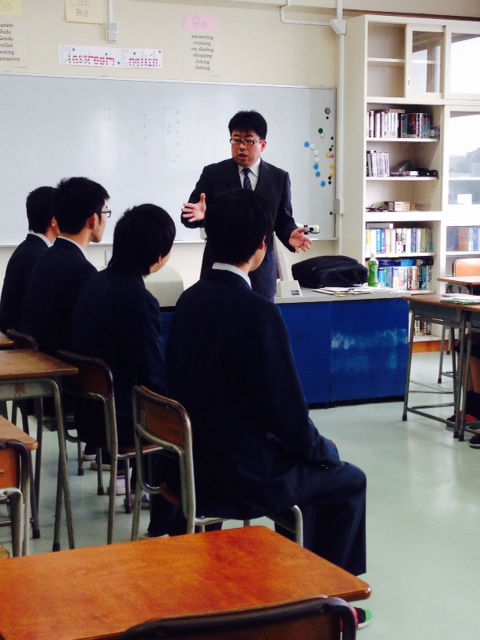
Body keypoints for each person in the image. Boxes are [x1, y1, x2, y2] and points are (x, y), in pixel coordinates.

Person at [158, 189, 369, 627]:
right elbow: (287, 413)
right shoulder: (257, 312)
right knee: (346, 479)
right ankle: (326, 602)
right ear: (261, 247)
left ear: (211, 237)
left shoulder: (189, 300)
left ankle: (302, 584)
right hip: (241, 476)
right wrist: (323, 450)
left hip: (190, 466)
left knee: (309, 466)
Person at [71, 204, 176, 461]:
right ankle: (155, 481)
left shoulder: (96, 281)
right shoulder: (138, 300)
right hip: (122, 420)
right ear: (159, 255)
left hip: (89, 412)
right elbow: (153, 376)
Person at [181, 110, 312, 301]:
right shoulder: (213, 174)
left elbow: (283, 220)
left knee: (260, 317)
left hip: (261, 272)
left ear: (263, 144)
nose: (241, 147)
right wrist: (202, 217)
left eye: (249, 141)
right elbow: (188, 215)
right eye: (236, 140)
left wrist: (290, 234)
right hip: (220, 269)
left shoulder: (279, 178)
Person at [21, 177, 110, 355]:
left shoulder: (45, 256)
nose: (107, 220)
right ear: (93, 220)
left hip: (42, 360)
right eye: (106, 212)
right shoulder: (81, 270)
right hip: (63, 366)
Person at [0, 186, 59, 333]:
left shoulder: (25, 248)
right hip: (24, 339)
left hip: (14, 333)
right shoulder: (41, 257)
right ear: (54, 221)